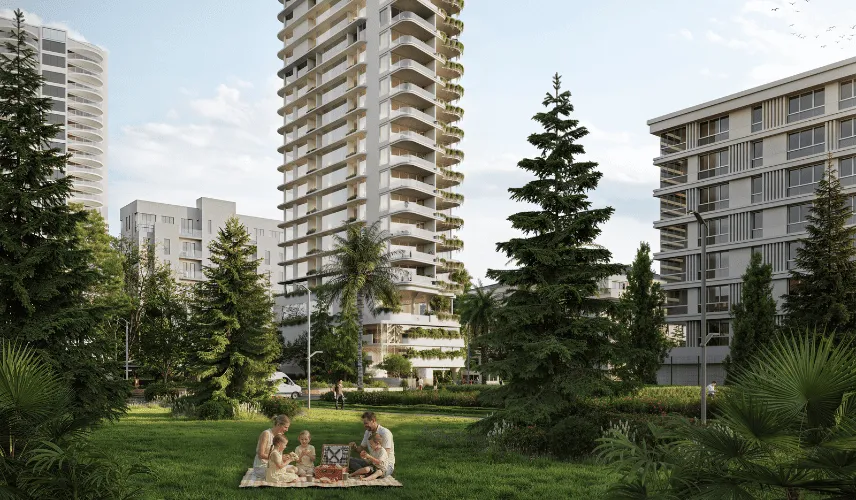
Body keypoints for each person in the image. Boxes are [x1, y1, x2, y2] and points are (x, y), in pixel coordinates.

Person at [348, 411, 395, 477]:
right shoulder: (368, 432)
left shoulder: (385, 433)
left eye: (366, 423)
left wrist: (369, 458)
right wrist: (354, 447)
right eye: (364, 424)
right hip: (372, 463)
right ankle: (366, 472)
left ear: (373, 420)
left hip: (385, 465)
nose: (365, 426)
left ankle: (365, 472)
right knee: (348, 459)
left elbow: (385, 457)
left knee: (378, 472)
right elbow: (361, 448)